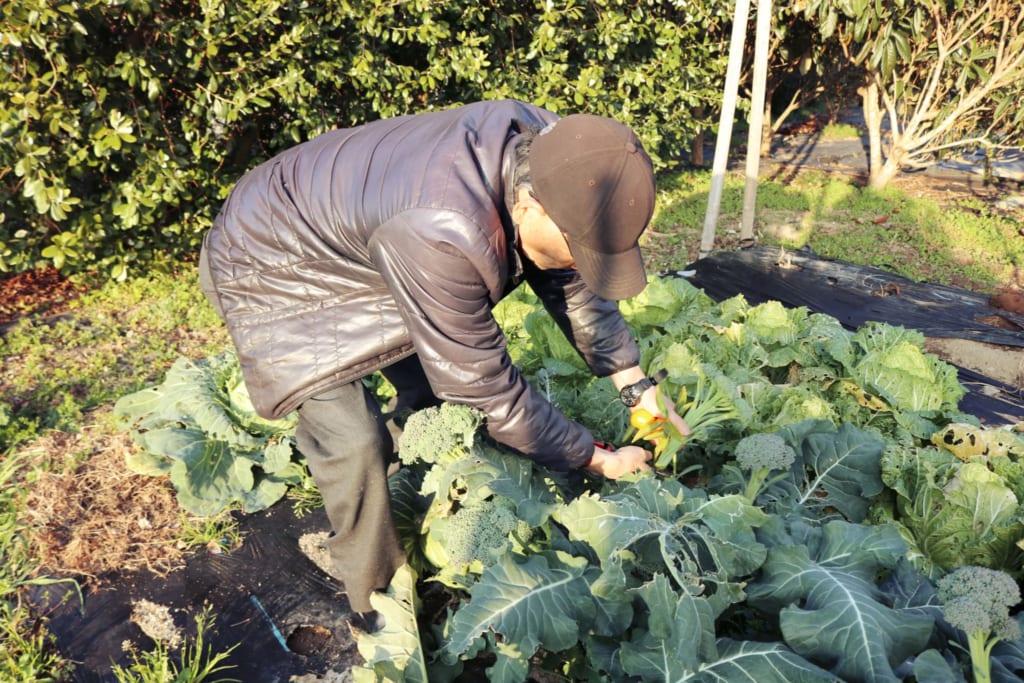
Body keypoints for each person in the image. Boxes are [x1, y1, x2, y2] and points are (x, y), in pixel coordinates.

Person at [198, 99, 690, 630]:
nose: (579, 263)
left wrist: (636, 387)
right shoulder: (444, 231)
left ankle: (412, 481)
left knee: (433, 396)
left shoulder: (562, 154)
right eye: (579, 250)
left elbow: (573, 283)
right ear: (530, 209)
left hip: (367, 233)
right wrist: (595, 458)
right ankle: (378, 607)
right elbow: (487, 389)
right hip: (270, 256)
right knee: (354, 443)